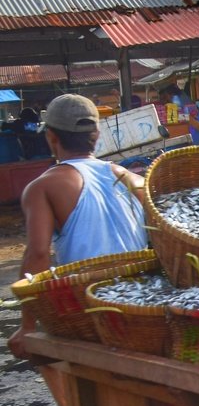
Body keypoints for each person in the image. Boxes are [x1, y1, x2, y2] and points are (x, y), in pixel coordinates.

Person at [7, 94, 148, 359]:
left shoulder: (43, 186)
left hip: (87, 314)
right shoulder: (130, 178)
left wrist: (27, 326)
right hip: (140, 307)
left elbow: (37, 254)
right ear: (96, 135)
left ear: (51, 138)